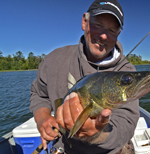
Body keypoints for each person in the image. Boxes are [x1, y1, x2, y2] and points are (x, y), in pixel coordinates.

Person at [29, 0, 140, 153]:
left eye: (112, 30)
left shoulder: (126, 72)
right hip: (64, 147)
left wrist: (97, 135)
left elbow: (125, 125)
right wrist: (43, 118)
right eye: (99, 25)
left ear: (118, 34)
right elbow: (39, 94)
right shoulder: (54, 59)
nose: (103, 36)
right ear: (85, 22)